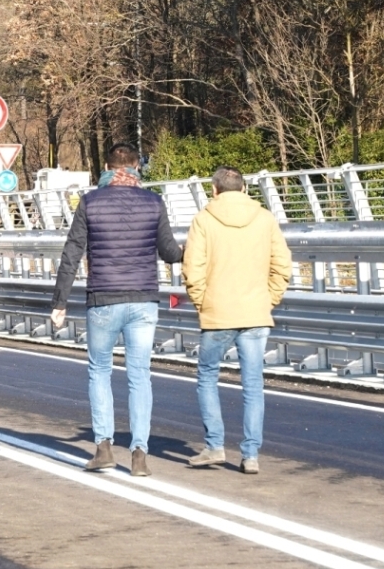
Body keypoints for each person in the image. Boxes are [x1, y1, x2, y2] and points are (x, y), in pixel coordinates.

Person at [51, 144, 183, 476]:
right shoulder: (153, 202)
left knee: (100, 372)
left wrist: (60, 302)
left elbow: (72, 253)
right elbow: (169, 253)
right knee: (140, 376)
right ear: (137, 166)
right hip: (143, 300)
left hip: (104, 299)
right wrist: (192, 248)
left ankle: (104, 448)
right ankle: (139, 454)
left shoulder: (90, 202)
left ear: (106, 167)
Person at [183, 167, 293, 474]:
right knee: (253, 384)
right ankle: (251, 455)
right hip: (256, 312)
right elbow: (282, 266)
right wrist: (268, 299)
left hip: (217, 313)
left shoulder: (204, 220)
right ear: (244, 189)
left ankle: (215, 445)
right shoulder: (265, 219)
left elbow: (193, 269)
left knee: (207, 376)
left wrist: (202, 301)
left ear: (214, 190)